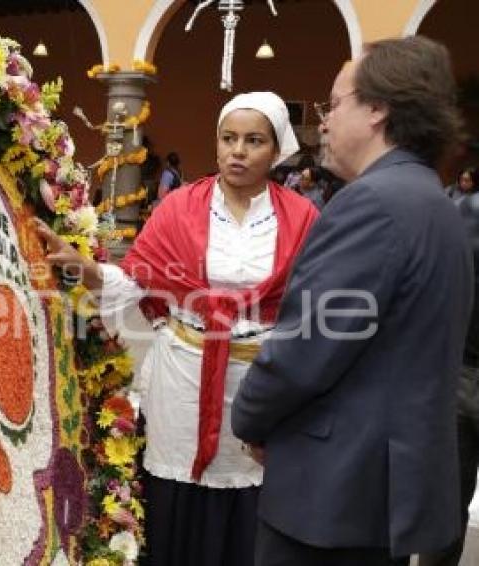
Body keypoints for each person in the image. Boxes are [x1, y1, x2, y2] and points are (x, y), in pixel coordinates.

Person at [36, 92, 319, 566]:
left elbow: (310, 306)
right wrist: (85, 268)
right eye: (228, 138)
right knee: (176, 491)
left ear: (277, 150)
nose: (238, 151)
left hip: (261, 381)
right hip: (183, 375)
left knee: (250, 486)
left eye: (253, 141)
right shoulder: (179, 208)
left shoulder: (303, 217)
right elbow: (136, 283)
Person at [231, 36, 472, 566]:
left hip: (330, 493)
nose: (323, 120)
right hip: (378, 490)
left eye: (334, 104)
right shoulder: (434, 201)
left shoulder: (372, 205)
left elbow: (306, 351)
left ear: (378, 109)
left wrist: (248, 417)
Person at [419, 187, 479, 566]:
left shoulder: (457, 213)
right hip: (458, 372)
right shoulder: (459, 213)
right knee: (445, 510)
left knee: (446, 508)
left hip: (456, 371)